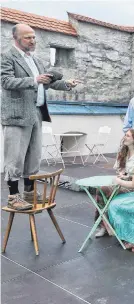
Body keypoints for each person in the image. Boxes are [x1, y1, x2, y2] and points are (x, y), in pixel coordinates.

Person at [2, 24, 80, 211]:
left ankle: (29, 192)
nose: (33, 40)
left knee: (34, 156)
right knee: (15, 157)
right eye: (28, 37)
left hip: (36, 113)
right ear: (16, 38)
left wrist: (67, 84)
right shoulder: (6, 56)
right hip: (16, 115)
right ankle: (13, 196)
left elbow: (50, 82)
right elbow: (5, 81)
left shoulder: (36, 60)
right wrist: (34, 80)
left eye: (34, 37)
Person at [94, 129, 134, 238]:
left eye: (128, 136)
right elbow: (118, 169)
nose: (125, 137)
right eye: (125, 135)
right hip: (121, 181)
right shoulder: (123, 152)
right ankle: (105, 225)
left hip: (133, 185)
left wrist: (126, 176)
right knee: (101, 190)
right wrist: (121, 174)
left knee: (103, 191)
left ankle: (104, 225)